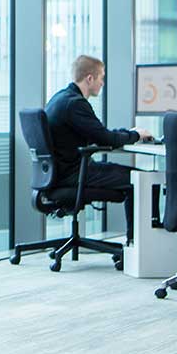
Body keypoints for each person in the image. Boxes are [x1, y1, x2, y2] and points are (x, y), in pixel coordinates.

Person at [45, 55, 145, 241]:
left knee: (135, 177)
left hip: (58, 173)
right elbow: (105, 138)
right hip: (73, 174)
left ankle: (136, 245)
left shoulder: (61, 98)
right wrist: (136, 135)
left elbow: (99, 134)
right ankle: (137, 248)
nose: (102, 83)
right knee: (140, 180)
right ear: (89, 78)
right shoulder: (76, 104)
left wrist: (127, 133)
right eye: (101, 78)